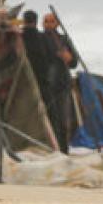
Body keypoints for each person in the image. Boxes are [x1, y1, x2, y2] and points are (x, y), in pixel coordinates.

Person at [22, 10, 71, 152]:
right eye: (46, 21)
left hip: (61, 84)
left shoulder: (64, 39)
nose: (48, 24)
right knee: (50, 118)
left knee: (61, 120)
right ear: (40, 23)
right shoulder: (41, 37)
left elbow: (73, 62)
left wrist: (69, 57)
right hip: (48, 83)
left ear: (57, 24)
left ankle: (63, 150)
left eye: (51, 21)